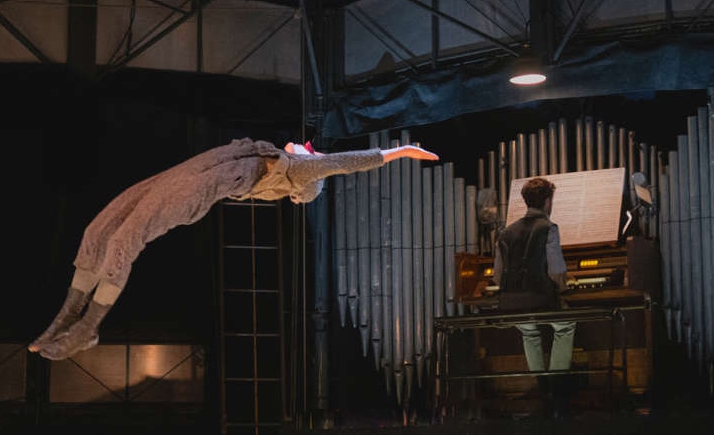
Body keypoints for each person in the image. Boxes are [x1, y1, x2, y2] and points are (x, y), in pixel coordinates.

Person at [29, 137, 438, 360]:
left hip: (206, 185)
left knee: (124, 239)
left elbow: (345, 162)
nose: (304, 144)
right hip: (196, 171)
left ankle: (88, 327)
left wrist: (398, 152)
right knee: (101, 228)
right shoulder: (268, 152)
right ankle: (64, 318)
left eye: (310, 149)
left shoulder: (301, 170)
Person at [494, 177, 577, 415]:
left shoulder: (505, 233)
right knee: (566, 325)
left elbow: (498, 276)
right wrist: (564, 288)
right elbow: (556, 271)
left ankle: (542, 387)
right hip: (540, 298)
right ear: (548, 201)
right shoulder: (548, 228)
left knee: (529, 330)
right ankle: (556, 386)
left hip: (511, 302)